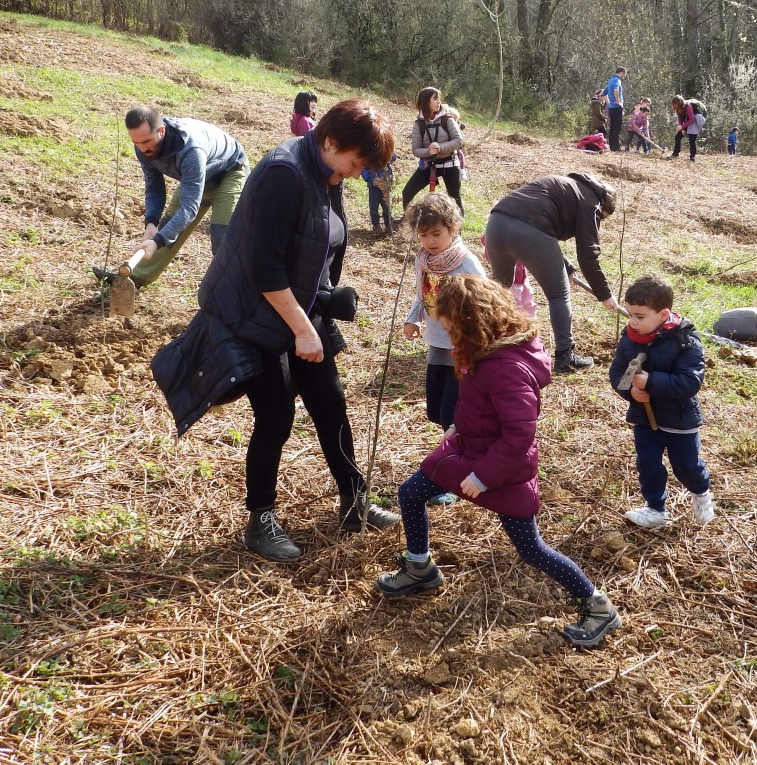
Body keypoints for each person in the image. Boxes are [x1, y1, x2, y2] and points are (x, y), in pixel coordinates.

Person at [150, 99, 400, 562]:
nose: (356, 173)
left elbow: (313, 246)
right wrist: (304, 329)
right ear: (331, 142)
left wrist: (325, 298)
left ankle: (355, 500)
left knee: (330, 403)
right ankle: (260, 520)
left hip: (302, 309)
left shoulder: (327, 173)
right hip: (256, 316)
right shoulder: (284, 173)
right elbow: (265, 269)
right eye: (357, 162)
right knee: (276, 415)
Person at [375, 275, 621, 649]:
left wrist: (484, 476)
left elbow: (519, 436)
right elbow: (484, 407)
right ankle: (419, 566)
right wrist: (460, 425)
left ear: (473, 322)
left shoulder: (505, 367)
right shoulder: (486, 351)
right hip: (470, 449)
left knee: (531, 549)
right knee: (411, 492)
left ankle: (598, 606)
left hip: (502, 469)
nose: (450, 336)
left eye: (453, 328)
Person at [93, 107, 247, 288]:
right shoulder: (142, 145)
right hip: (197, 176)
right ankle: (134, 279)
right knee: (168, 228)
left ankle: (233, 289)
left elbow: (189, 208)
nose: (142, 148)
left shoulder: (191, 151)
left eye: (146, 142)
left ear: (162, 131)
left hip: (229, 172)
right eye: (136, 142)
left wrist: (158, 240)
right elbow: (154, 187)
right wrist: (151, 222)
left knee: (222, 236)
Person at [484, 172, 619, 374]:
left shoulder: (569, 187)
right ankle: (565, 357)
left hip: (496, 224)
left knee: (501, 291)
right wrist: (605, 295)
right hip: (527, 230)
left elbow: (542, 223)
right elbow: (588, 255)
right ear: (603, 207)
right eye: (603, 219)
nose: (600, 222)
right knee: (559, 294)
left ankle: (488, 344)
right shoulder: (592, 203)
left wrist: (566, 266)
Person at [609, 275, 714, 529]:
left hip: (679, 418)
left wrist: (651, 381)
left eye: (640, 316)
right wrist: (631, 393)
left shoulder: (684, 341)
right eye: (631, 314)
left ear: (663, 314)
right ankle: (655, 508)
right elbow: (618, 374)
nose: (632, 321)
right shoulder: (630, 338)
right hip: (644, 417)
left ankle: (701, 492)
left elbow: (689, 383)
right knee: (647, 464)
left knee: (686, 465)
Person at [402, 193, 486, 505]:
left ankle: (457, 477)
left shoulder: (466, 263)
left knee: (455, 414)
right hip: (436, 345)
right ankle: (459, 460)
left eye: (436, 234)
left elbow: (484, 305)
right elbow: (421, 295)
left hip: (461, 350)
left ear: (454, 228)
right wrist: (413, 319)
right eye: (423, 235)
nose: (430, 241)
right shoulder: (423, 260)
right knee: (437, 410)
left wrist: (472, 344)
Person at [402, 87, 464, 216]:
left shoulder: (447, 119)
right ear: (426, 102)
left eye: (439, 98)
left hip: (450, 164)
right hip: (430, 165)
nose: (439, 102)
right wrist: (429, 152)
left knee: (455, 200)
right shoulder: (419, 124)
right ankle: (411, 223)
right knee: (407, 192)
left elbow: (459, 141)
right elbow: (416, 150)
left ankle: (456, 233)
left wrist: (440, 147)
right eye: (435, 99)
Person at [361, 153, 395, 236]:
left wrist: (386, 158)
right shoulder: (368, 158)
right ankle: (376, 225)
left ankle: (388, 224)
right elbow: (363, 170)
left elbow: (393, 156)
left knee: (387, 207)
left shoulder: (385, 156)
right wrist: (371, 178)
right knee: (374, 208)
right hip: (374, 188)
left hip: (385, 188)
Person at [668, 95, 700, 162]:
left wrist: (682, 126)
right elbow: (680, 119)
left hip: (693, 124)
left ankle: (692, 157)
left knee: (692, 140)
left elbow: (692, 120)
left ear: (680, 104)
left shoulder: (688, 107)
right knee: (677, 137)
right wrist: (682, 129)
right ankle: (675, 154)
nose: (675, 107)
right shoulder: (677, 109)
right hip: (686, 123)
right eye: (674, 105)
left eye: (676, 105)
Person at [603, 68, 627, 152]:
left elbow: (603, 93)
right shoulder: (617, 80)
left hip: (611, 108)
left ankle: (612, 146)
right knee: (617, 127)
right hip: (617, 107)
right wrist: (617, 101)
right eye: (625, 74)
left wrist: (609, 103)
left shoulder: (610, 80)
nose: (625, 76)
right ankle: (616, 147)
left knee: (612, 127)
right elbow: (616, 90)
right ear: (623, 72)